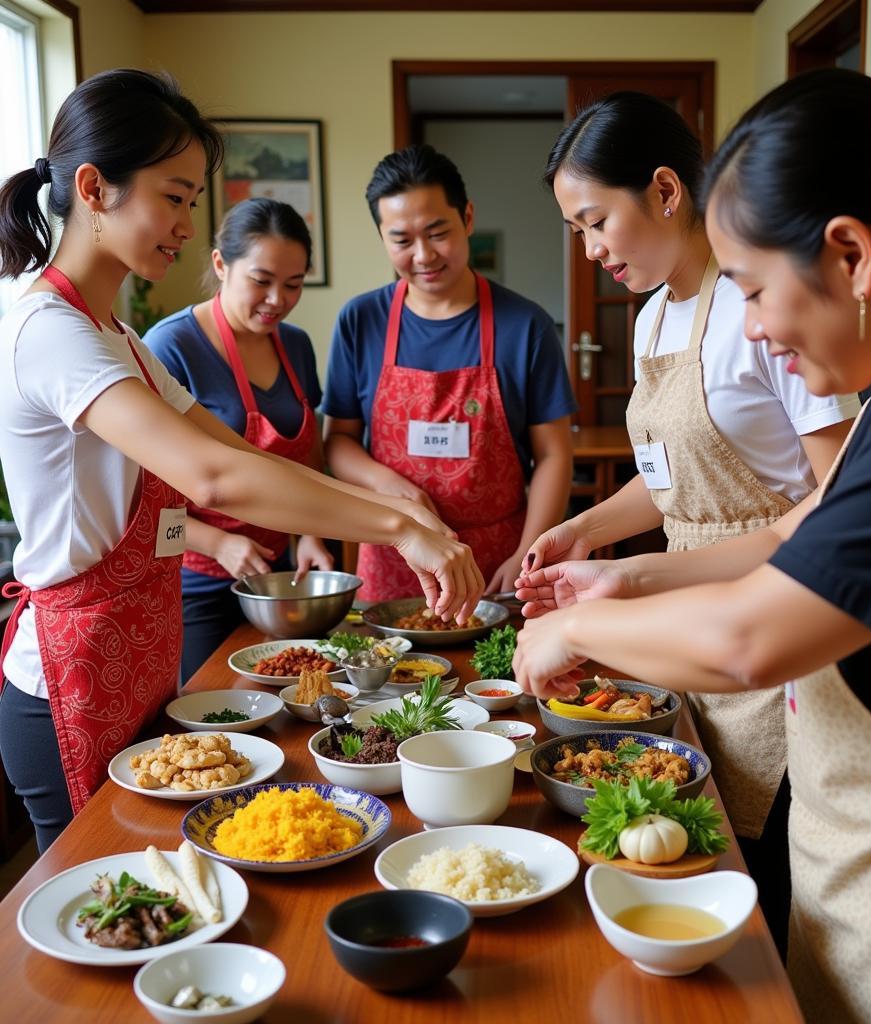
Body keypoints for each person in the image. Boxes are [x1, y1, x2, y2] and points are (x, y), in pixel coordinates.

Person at [513, 68, 871, 1024]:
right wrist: (620, 574)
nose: (752, 328)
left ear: (850, 257)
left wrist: (581, 625)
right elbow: (797, 534)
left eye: (752, 288)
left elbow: (753, 638)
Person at [0, 69, 483, 852]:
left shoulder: (115, 338)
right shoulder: (51, 333)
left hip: (133, 659)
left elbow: (241, 453)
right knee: (106, 916)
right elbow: (213, 479)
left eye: (194, 201)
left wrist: (402, 520)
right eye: (174, 196)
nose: (189, 225)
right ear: (94, 186)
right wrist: (401, 529)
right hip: (68, 679)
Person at [525, 90, 860, 951]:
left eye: (597, 221)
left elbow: (840, 500)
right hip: (687, 603)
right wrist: (588, 528)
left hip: (775, 604)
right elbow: (669, 482)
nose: (592, 249)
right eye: (578, 232)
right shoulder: (652, 318)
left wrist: (628, 580)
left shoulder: (764, 309)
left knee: (760, 870)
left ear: (667, 191)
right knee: (687, 849)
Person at [321, 144, 576, 599]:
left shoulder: (525, 325)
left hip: (497, 563)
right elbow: (337, 440)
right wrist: (389, 484)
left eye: (437, 232)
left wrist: (527, 553)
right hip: (392, 554)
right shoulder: (361, 320)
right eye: (401, 240)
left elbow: (554, 454)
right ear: (382, 238)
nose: (423, 255)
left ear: (468, 218)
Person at [146, 198, 333, 682]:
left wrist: (310, 531)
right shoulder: (171, 347)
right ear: (220, 264)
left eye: (293, 285)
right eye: (261, 281)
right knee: (211, 710)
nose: (278, 299)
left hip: (281, 577)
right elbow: (140, 494)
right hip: (196, 581)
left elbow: (307, 452)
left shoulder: (295, 344)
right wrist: (218, 543)